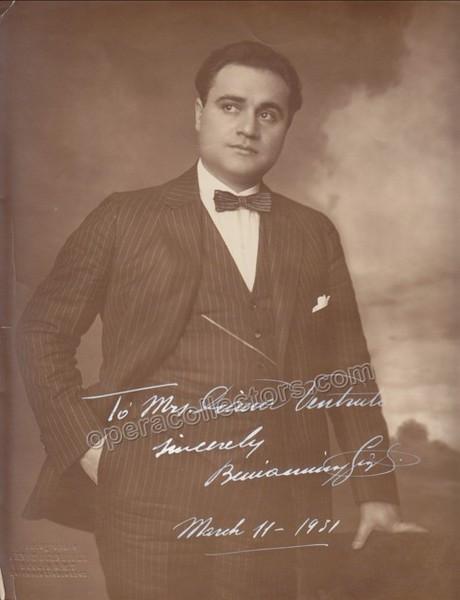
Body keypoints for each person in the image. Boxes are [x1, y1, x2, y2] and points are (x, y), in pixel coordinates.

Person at [16, 41, 423, 600]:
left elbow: (346, 367)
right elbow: (42, 331)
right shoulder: (123, 217)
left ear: (286, 127)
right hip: (145, 503)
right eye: (231, 106)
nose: (248, 127)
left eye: (268, 113)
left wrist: (375, 490)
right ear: (199, 112)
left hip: (278, 507)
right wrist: (86, 443)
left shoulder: (314, 233)